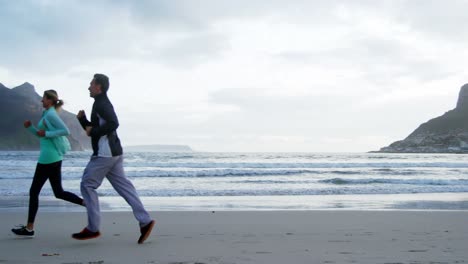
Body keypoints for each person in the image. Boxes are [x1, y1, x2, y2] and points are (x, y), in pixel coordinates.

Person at [72, 73, 155, 244]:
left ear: (98, 86)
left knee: (87, 185)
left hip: (105, 153)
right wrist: (83, 120)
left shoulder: (102, 104)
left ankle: (93, 228)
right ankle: (145, 221)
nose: (88, 87)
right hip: (114, 152)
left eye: (91, 84)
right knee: (125, 187)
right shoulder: (100, 103)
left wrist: (93, 131)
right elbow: (96, 128)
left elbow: (113, 123)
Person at [11, 90, 84, 237]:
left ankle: (29, 228)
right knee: (58, 192)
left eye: (43, 98)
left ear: (50, 100)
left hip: (48, 158)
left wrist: (48, 134)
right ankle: (87, 203)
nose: (41, 101)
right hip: (53, 157)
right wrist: (30, 128)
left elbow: (65, 130)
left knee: (34, 192)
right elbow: (42, 136)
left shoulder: (50, 114)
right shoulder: (46, 114)